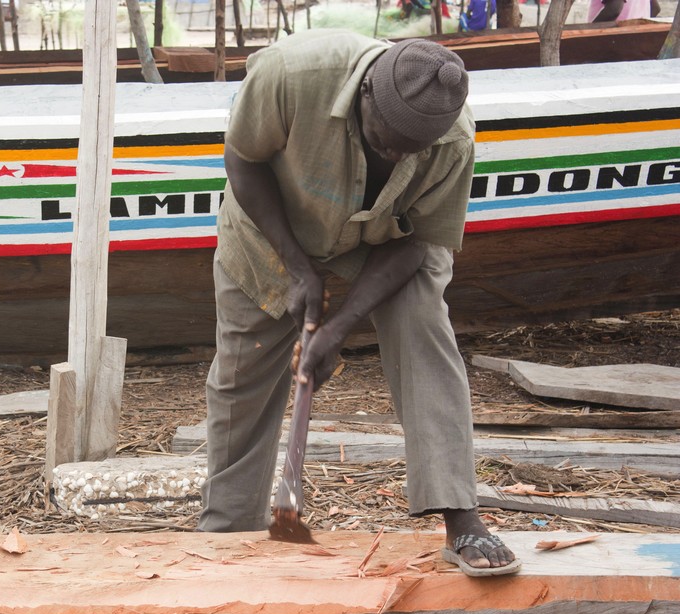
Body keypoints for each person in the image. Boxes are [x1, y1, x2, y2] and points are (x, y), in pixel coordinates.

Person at [196, 30, 521, 577]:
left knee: (424, 327)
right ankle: (228, 531)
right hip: (272, 226)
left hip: (389, 241)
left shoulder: (453, 139)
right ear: (368, 92)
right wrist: (299, 268)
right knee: (242, 372)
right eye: (385, 139)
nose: (395, 155)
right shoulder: (289, 75)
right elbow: (243, 160)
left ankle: (462, 518)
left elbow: (419, 243)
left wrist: (338, 326)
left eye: (410, 149)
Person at [588, 0, 659, 22]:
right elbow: (655, 8)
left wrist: (587, 34)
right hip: (638, 43)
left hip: (613, 44)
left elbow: (613, 10)